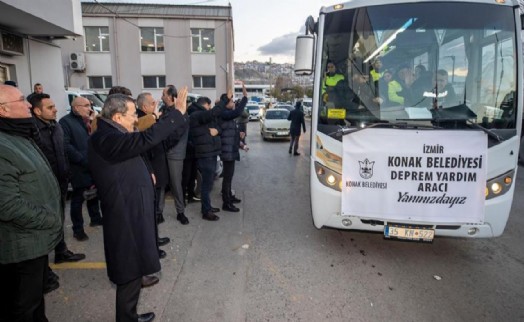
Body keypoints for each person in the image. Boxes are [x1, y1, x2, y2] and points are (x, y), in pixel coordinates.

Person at [88, 89, 188, 322]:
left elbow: (139, 150)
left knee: (133, 261)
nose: (136, 119)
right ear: (118, 117)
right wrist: (177, 114)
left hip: (131, 205)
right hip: (125, 210)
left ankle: (129, 312)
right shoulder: (106, 138)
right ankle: (127, 317)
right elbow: (146, 139)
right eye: (133, 114)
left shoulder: (113, 133)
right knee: (128, 264)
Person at [0, 84, 62, 321]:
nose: (28, 104)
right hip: (21, 244)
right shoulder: (3, 145)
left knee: (35, 304)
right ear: (3, 110)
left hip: (33, 240)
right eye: (21, 101)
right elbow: (7, 205)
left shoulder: (17, 135)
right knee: (23, 307)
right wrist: (48, 219)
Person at [31, 93, 86, 293]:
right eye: (50, 107)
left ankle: (61, 251)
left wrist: (67, 174)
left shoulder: (55, 127)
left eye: (54, 106)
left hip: (60, 182)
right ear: (37, 111)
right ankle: (42, 272)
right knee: (44, 225)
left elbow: (62, 152)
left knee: (58, 218)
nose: (55, 109)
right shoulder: (33, 130)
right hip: (43, 187)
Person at [59, 96, 103, 241]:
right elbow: (66, 145)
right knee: (78, 199)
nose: (89, 108)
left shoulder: (87, 120)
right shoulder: (66, 122)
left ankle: (95, 218)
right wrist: (82, 159)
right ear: (76, 107)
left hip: (91, 164)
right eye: (85, 105)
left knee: (93, 193)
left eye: (90, 105)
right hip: (78, 166)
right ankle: (78, 229)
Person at [136, 92, 170, 259]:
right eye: (152, 103)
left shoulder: (149, 118)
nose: (155, 104)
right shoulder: (143, 121)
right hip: (150, 170)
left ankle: (154, 240)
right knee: (149, 211)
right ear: (144, 107)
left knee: (154, 209)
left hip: (155, 167)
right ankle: (151, 247)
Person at [189, 96, 222, 221]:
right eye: (209, 106)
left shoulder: (203, 115)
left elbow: (218, 126)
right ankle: (206, 211)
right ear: (206, 105)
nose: (210, 109)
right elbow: (213, 114)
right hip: (205, 154)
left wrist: (217, 131)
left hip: (211, 152)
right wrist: (224, 100)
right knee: (206, 184)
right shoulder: (196, 114)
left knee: (209, 183)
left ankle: (207, 206)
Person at [162, 85, 191, 225]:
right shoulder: (164, 111)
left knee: (176, 184)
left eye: (163, 94)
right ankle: (158, 212)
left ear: (170, 96)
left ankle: (180, 212)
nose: (162, 97)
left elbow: (175, 135)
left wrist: (162, 144)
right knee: (161, 183)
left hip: (175, 154)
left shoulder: (181, 113)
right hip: (163, 152)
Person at [216, 84, 247, 212]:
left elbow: (231, 133)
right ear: (226, 103)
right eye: (232, 101)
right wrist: (245, 97)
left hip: (231, 150)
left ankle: (229, 197)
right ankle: (226, 203)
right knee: (227, 178)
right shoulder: (224, 113)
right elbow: (238, 111)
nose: (233, 102)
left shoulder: (227, 114)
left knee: (229, 177)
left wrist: (240, 141)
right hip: (227, 151)